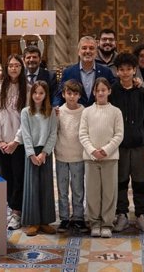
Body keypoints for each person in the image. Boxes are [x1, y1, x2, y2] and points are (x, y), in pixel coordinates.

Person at [110, 53, 144, 234]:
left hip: (139, 144)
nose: (126, 73)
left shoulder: (142, 92)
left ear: (134, 70)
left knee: (140, 181)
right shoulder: (112, 91)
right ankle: (122, 214)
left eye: (129, 69)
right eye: (122, 69)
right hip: (119, 145)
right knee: (120, 181)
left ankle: (141, 214)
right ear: (117, 71)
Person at [79, 78, 124, 238]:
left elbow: (119, 134)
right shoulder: (87, 112)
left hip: (110, 158)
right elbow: (82, 134)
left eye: (104, 90)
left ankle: (107, 223)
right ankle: (94, 222)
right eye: (98, 90)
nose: (101, 93)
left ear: (109, 91)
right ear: (93, 92)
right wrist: (92, 151)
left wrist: (105, 150)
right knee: (92, 191)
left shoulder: (116, 112)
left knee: (109, 192)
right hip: (91, 159)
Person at [0, 54, 28, 230]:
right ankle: (9, 208)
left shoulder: (27, 87)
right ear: (7, 68)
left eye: (17, 66)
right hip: (2, 141)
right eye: (11, 65)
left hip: (18, 143)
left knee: (18, 176)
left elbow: (27, 117)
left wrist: (16, 141)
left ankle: (17, 211)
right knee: (5, 176)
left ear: (21, 68)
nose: (13, 68)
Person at [20, 81, 58, 237]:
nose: (37, 96)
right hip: (31, 153)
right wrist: (31, 154)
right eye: (35, 92)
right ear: (31, 94)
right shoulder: (26, 112)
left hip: (45, 153)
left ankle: (45, 221)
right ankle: (33, 221)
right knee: (32, 186)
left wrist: (44, 153)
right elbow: (25, 134)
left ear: (46, 95)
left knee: (46, 186)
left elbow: (53, 133)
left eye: (41, 93)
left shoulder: (51, 112)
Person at [54, 80, 87, 234]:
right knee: (62, 189)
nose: (72, 97)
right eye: (69, 93)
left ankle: (79, 217)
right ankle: (64, 218)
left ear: (79, 95)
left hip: (78, 155)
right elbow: (55, 131)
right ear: (63, 94)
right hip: (61, 154)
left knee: (78, 188)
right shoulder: (59, 112)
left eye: (75, 94)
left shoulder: (84, 111)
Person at [55, 36, 116, 107]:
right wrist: (56, 107)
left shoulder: (106, 72)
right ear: (78, 52)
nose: (88, 51)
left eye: (91, 48)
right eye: (84, 48)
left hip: (99, 114)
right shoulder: (68, 72)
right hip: (76, 115)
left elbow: (113, 95)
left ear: (96, 52)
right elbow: (59, 95)